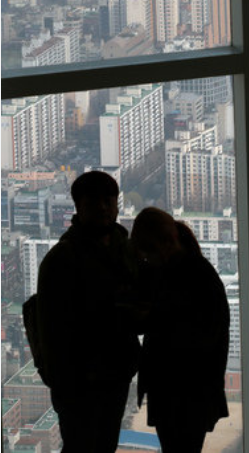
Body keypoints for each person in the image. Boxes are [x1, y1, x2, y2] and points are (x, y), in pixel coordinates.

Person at [36, 171, 141, 453]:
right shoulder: (62, 259)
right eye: (95, 202)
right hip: (79, 385)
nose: (104, 208)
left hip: (116, 374)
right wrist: (66, 384)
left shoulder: (126, 250)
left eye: (109, 201)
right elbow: (53, 332)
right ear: (79, 207)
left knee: (104, 445)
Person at [131, 207, 229, 452]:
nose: (146, 260)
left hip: (185, 393)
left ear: (164, 245)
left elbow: (195, 339)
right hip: (186, 393)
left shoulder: (193, 278)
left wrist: (151, 317)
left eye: (148, 253)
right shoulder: (180, 271)